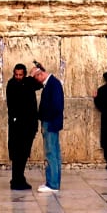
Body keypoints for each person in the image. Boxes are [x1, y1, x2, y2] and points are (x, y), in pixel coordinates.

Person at [5, 63, 41, 190]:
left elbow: (41, 82)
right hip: (17, 126)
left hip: (29, 126)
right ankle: (16, 179)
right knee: (17, 153)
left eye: (21, 75)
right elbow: (19, 94)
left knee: (24, 153)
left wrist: (39, 69)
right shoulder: (12, 84)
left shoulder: (28, 82)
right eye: (16, 75)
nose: (18, 77)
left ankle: (19, 177)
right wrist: (29, 78)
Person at [32, 61, 63, 193]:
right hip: (51, 122)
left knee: (51, 153)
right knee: (54, 153)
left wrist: (45, 117)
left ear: (40, 74)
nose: (36, 81)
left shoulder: (53, 84)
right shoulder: (52, 84)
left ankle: (53, 184)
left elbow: (56, 106)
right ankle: (53, 182)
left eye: (35, 78)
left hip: (50, 123)